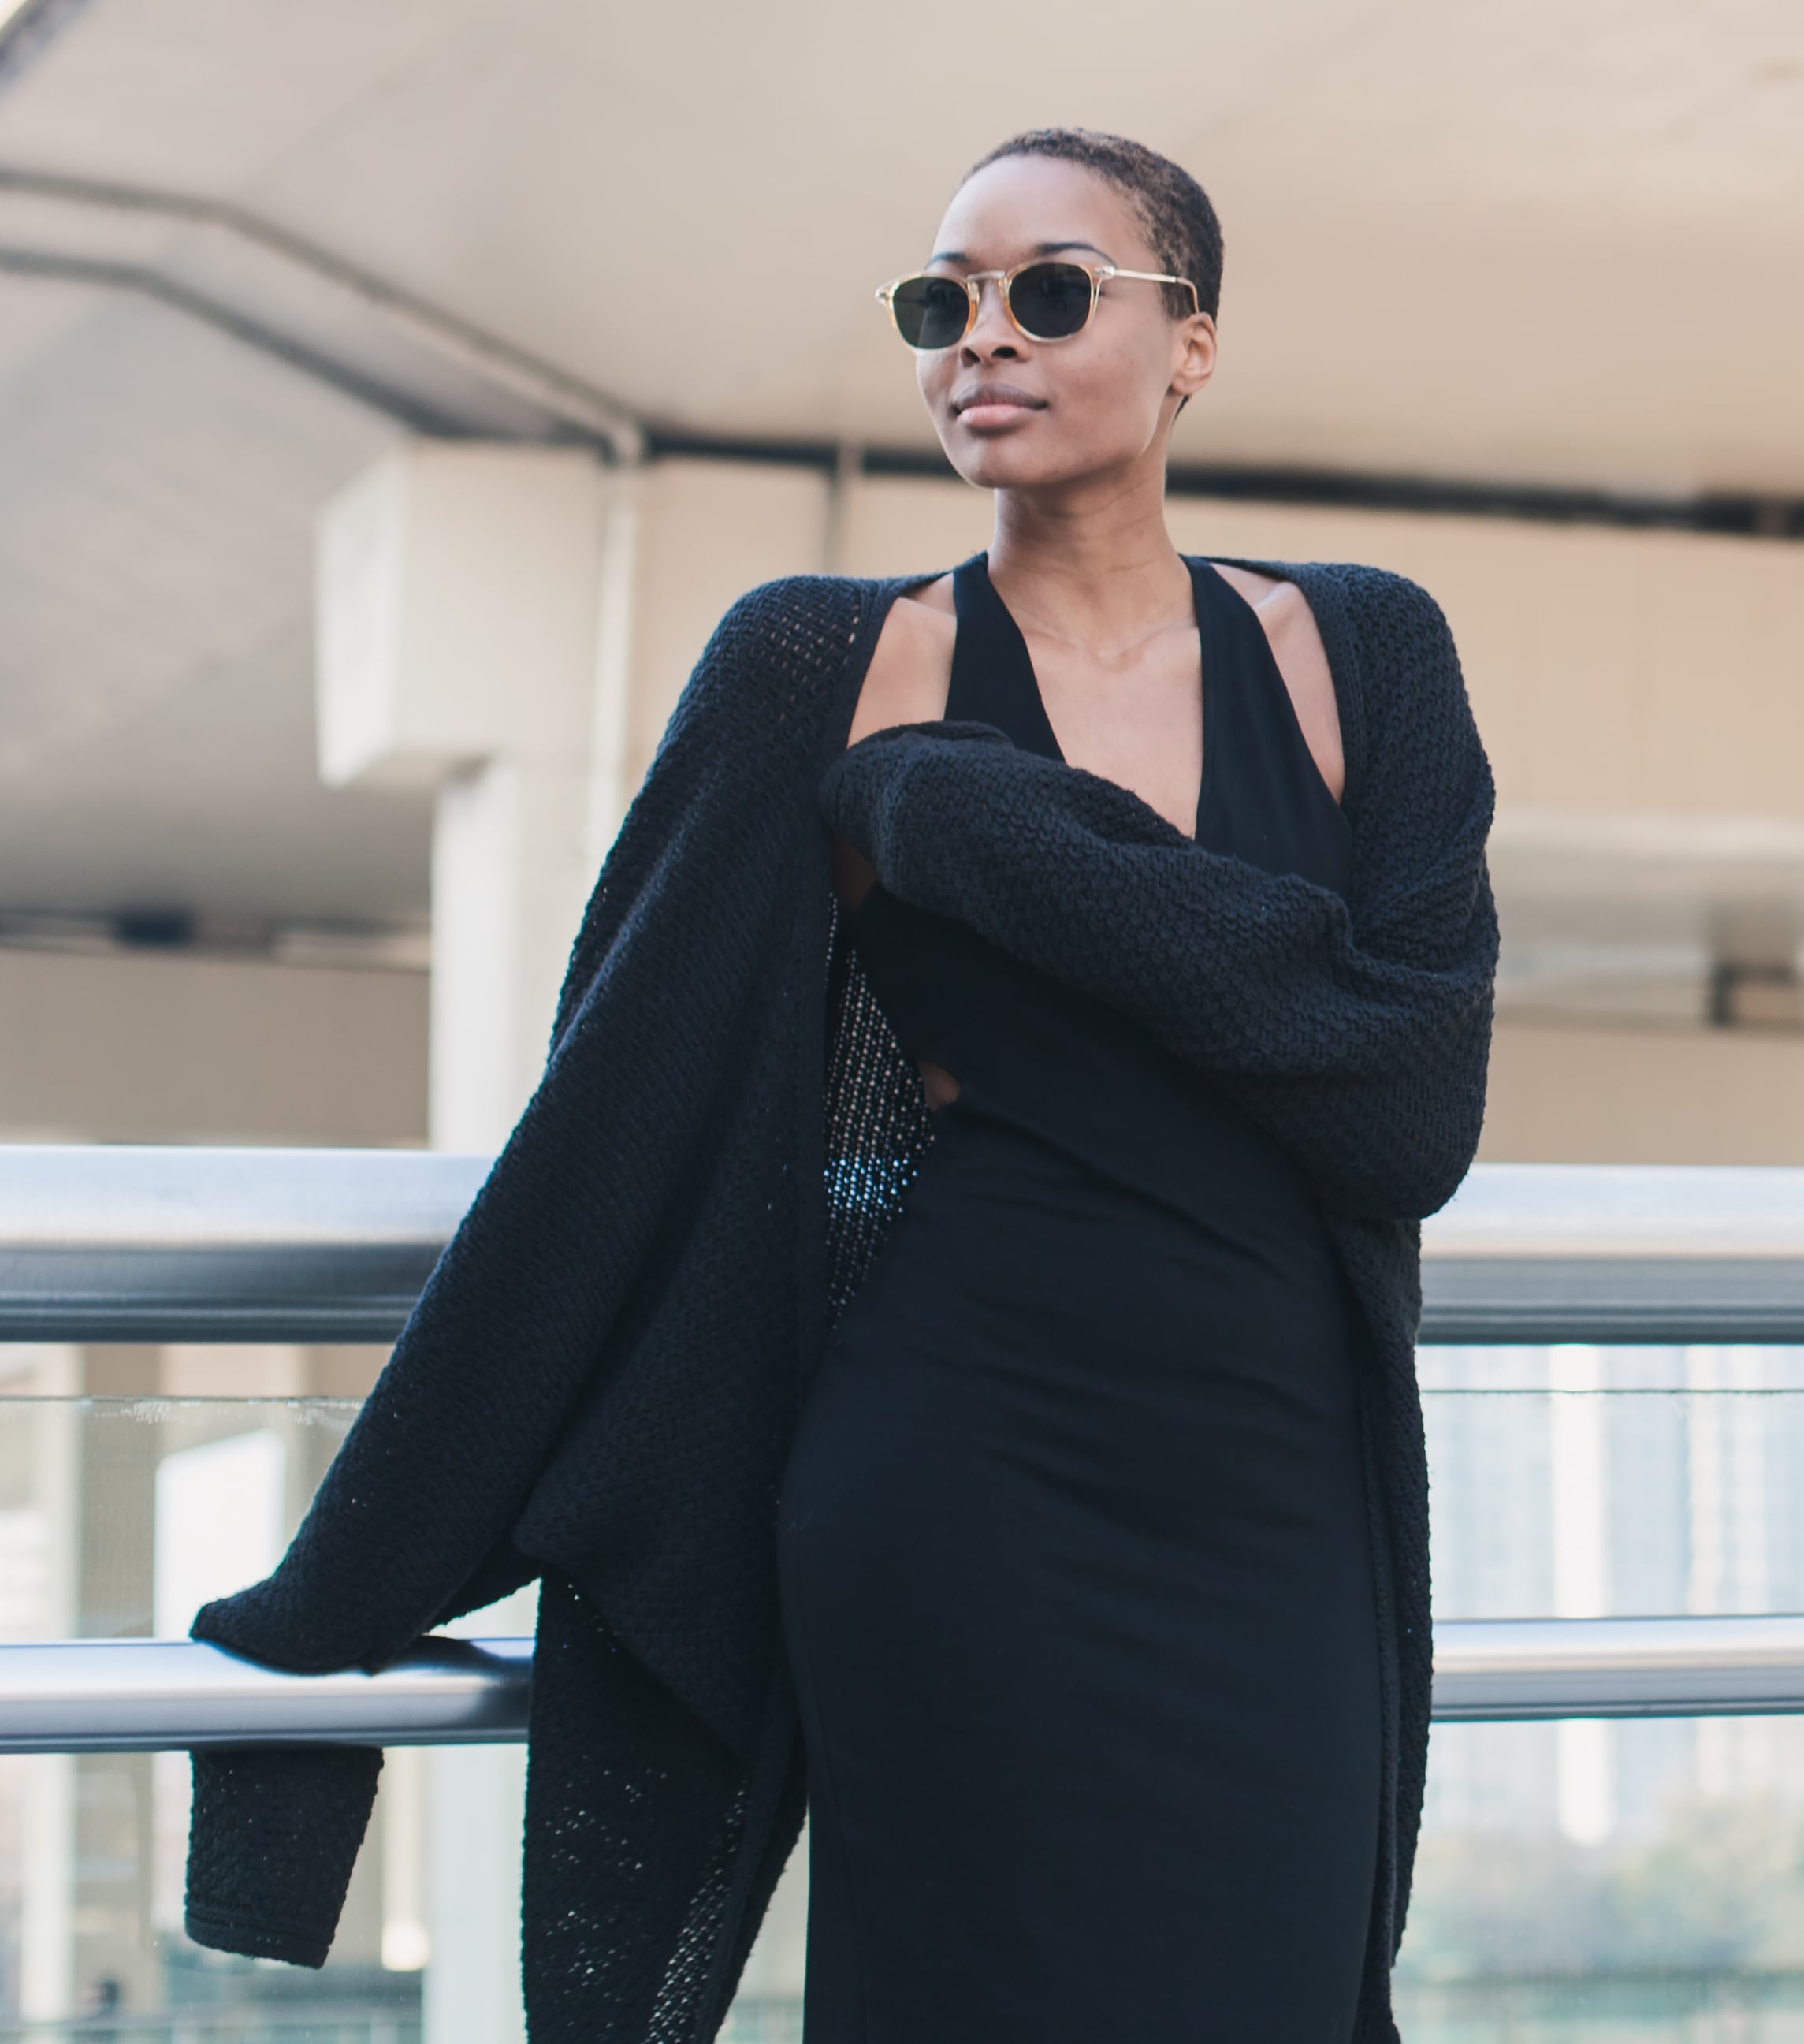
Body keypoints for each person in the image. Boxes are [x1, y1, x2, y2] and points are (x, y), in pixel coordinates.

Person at [177, 128, 1497, 2044]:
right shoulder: (817, 664)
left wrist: (954, 811)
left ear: (1191, 346)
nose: (985, 338)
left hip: (1278, 1490)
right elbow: (608, 1128)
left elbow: (1408, 1107)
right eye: (940, 303)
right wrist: (343, 1582)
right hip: (960, 1477)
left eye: (1051, 292)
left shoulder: (1357, 650)